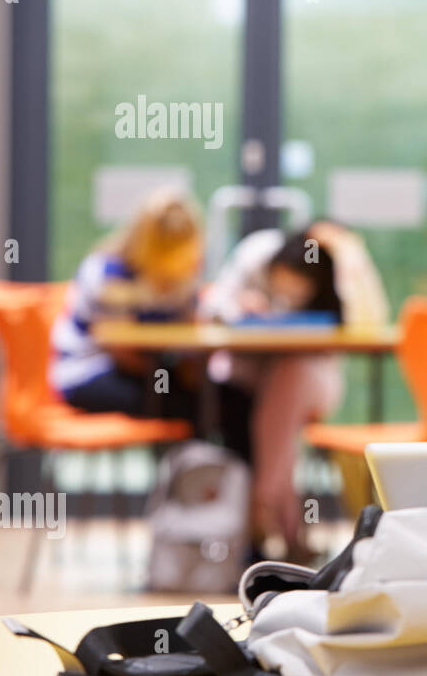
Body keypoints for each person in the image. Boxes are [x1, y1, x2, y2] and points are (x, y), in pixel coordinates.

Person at [201, 221, 390, 562]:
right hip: (250, 380)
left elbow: (370, 321)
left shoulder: (337, 266)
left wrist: (353, 256)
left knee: (288, 384)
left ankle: (264, 510)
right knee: (277, 426)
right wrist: (238, 309)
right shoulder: (256, 253)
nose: (288, 298)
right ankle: (286, 531)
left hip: (309, 378)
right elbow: (213, 308)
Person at [51, 187, 206, 422]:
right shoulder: (109, 272)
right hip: (92, 371)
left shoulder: (183, 278)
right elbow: (120, 351)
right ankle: (193, 458)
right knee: (186, 405)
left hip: (148, 371)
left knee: (219, 400)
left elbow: (191, 335)